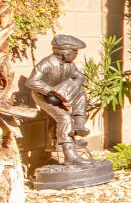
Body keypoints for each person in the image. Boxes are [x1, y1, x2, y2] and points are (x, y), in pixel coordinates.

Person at [28, 34, 94, 166]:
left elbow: (80, 76)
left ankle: (79, 124)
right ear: (64, 52)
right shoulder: (46, 63)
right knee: (64, 117)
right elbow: (32, 81)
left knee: (80, 94)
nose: (76, 54)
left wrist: (75, 83)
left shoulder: (70, 64)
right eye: (74, 52)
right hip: (43, 96)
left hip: (60, 95)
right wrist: (51, 91)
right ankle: (70, 155)